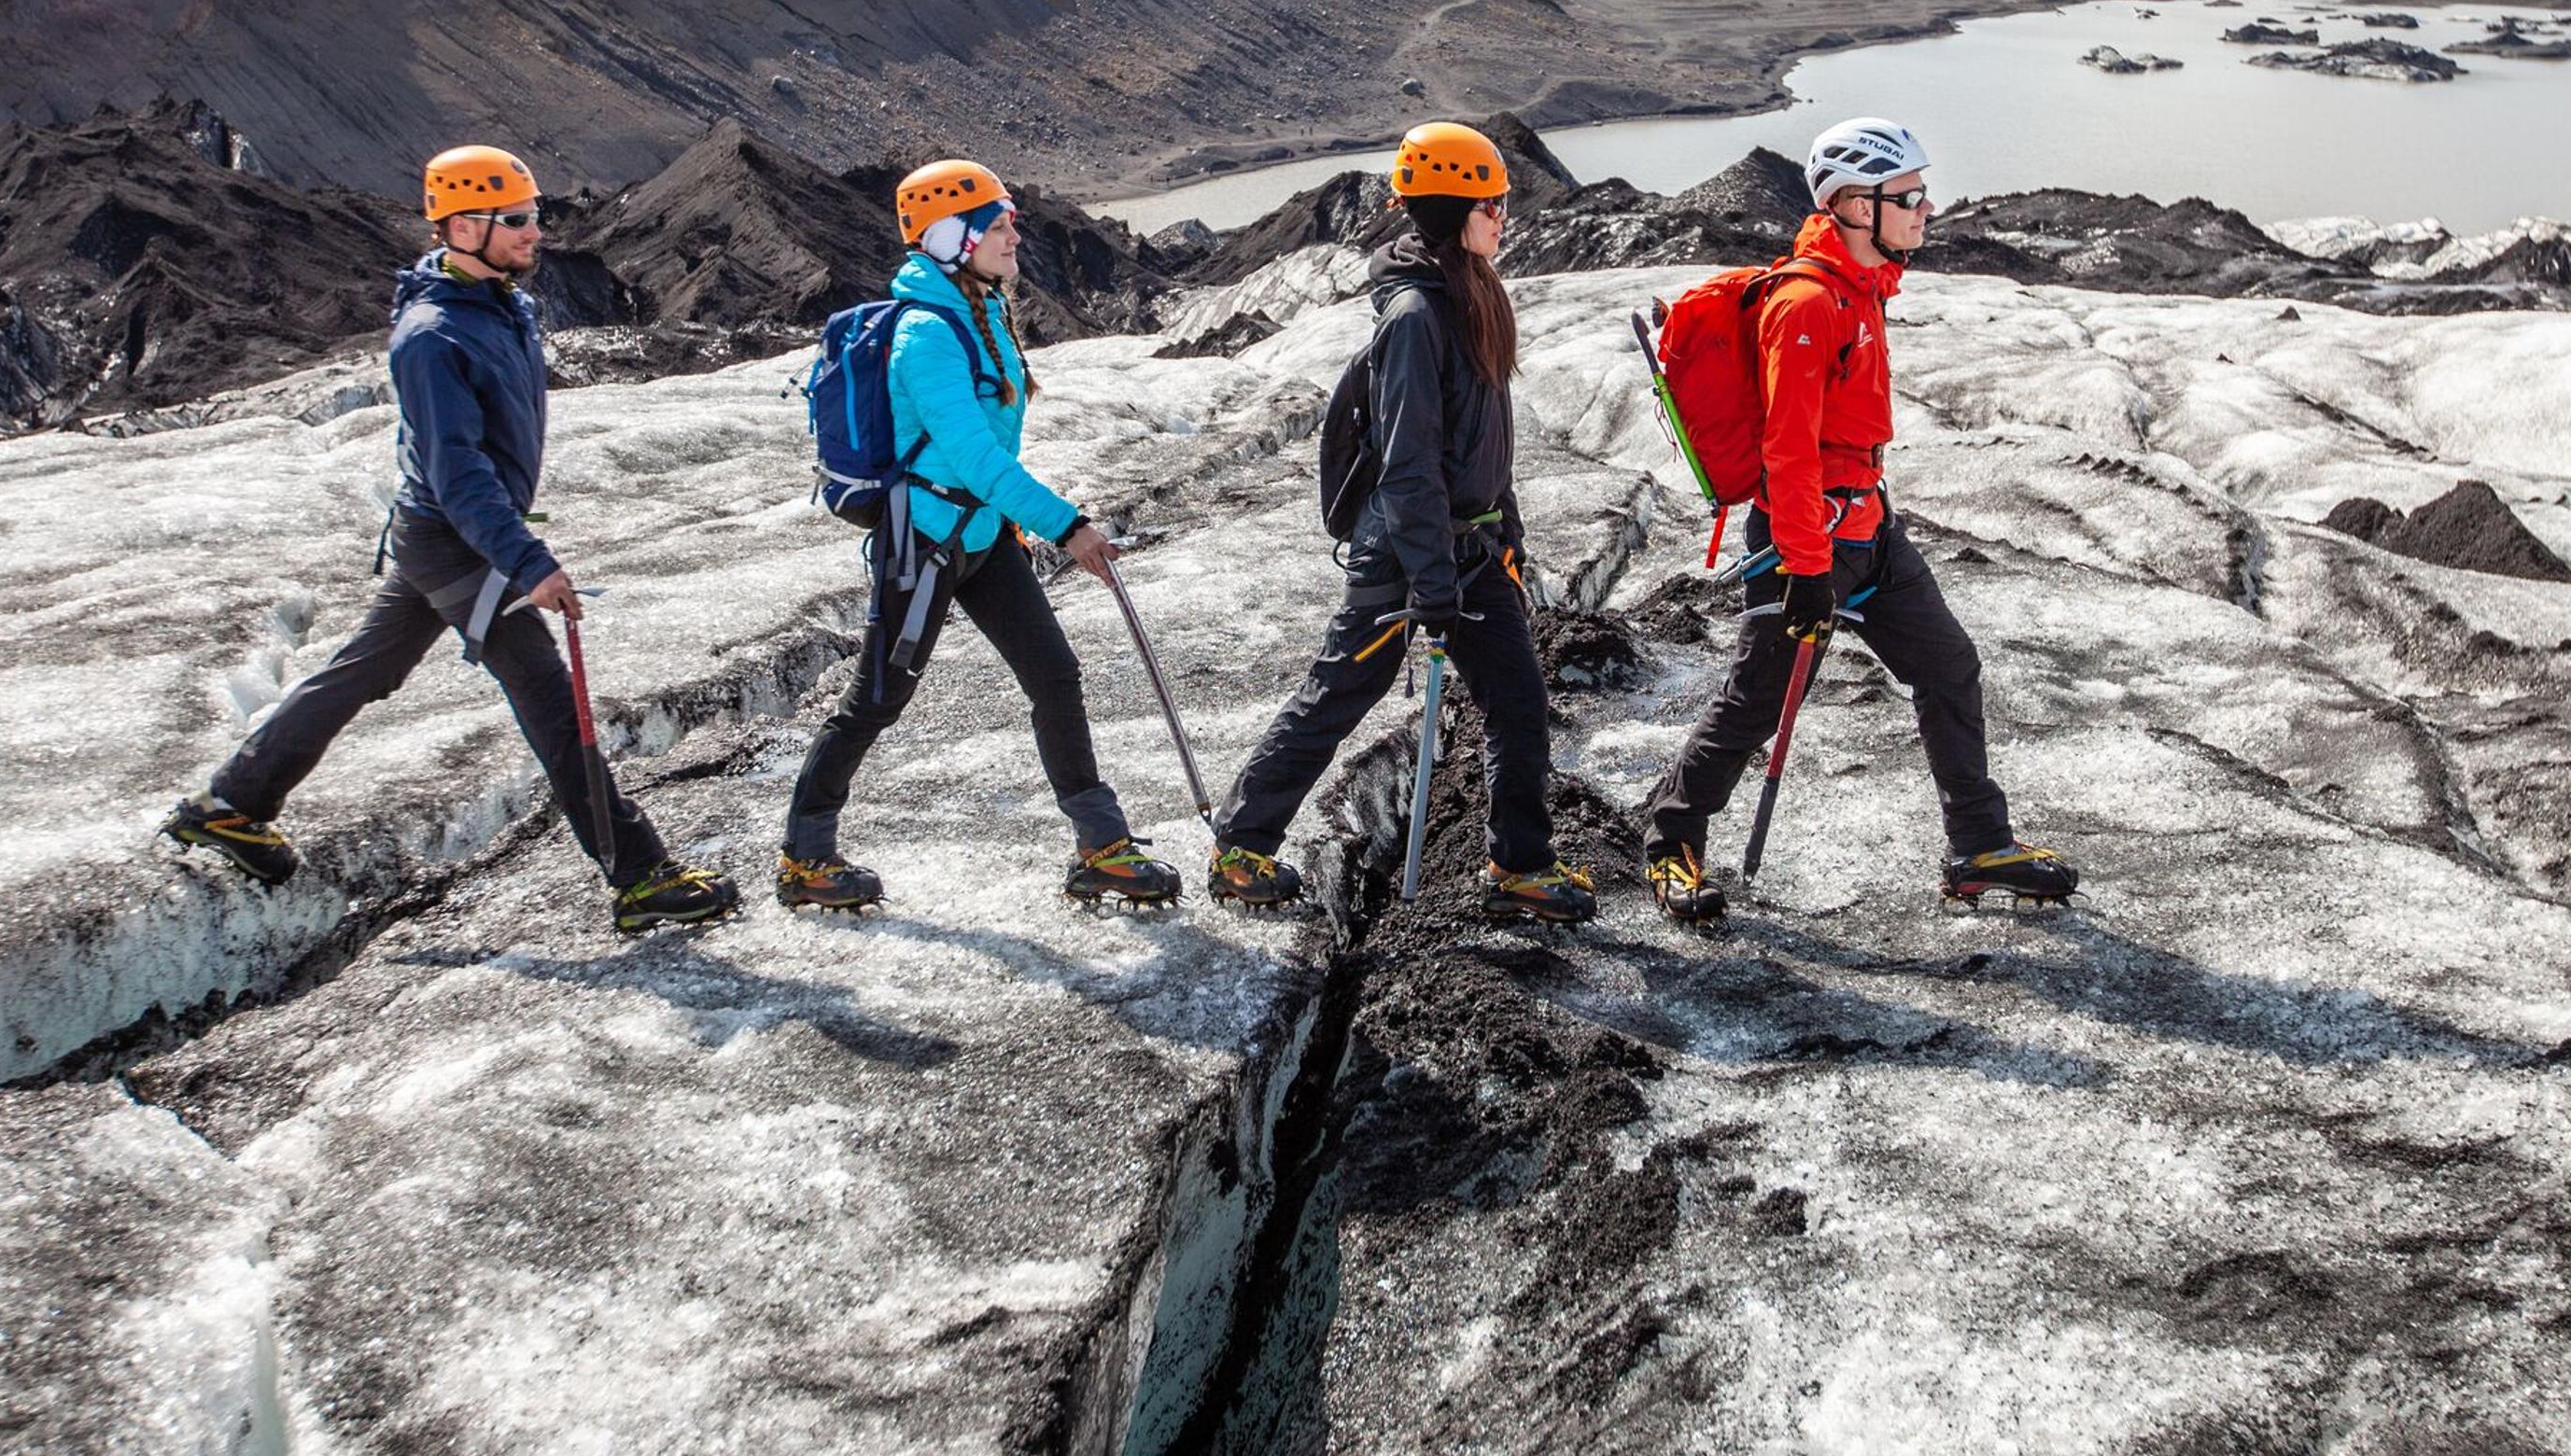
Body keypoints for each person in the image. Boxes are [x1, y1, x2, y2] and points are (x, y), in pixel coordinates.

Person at [163, 146, 738, 934]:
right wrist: (528, 561)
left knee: (364, 672)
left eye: (535, 215)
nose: (537, 232)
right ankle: (638, 874)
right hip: (456, 540)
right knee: (551, 701)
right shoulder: (435, 335)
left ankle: (231, 802)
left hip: (445, 535)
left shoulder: (497, 303)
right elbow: (458, 472)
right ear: (464, 225)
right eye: (519, 220)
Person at [1640, 117, 2079, 920]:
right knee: (1756, 704)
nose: (1925, 208)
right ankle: (1671, 841)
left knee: (1948, 665)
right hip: (1803, 541)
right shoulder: (1808, 304)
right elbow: (1789, 453)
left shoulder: (1862, 289)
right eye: (1907, 195)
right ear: (1851, 205)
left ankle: (1978, 847)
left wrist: (1857, 534)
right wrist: (1807, 570)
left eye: (1921, 193)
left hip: (1869, 533)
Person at [1210, 121, 1594, 923]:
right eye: (1492, 201)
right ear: (1457, 206)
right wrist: (1432, 580)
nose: (1503, 213)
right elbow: (1408, 462)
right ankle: (1242, 842)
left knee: (1518, 700)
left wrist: (1506, 534)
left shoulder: (1473, 294)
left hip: (1474, 547)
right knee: (1342, 690)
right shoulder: (1417, 314)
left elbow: (1485, 444)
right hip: (1408, 554)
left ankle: (1520, 863)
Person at [777, 158, 1183, 912]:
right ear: (949, 239)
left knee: (1054, 675)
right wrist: (1068, 527)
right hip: (927, 543)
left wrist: (1017, 527)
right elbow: (974, 455)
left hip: (983, 536)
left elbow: (986, 459)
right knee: (876, 698)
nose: (1012, 238)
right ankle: (805, 855)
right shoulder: (928, 334)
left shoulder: (982, 308)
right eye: (995, 227)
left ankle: (1100, 843)